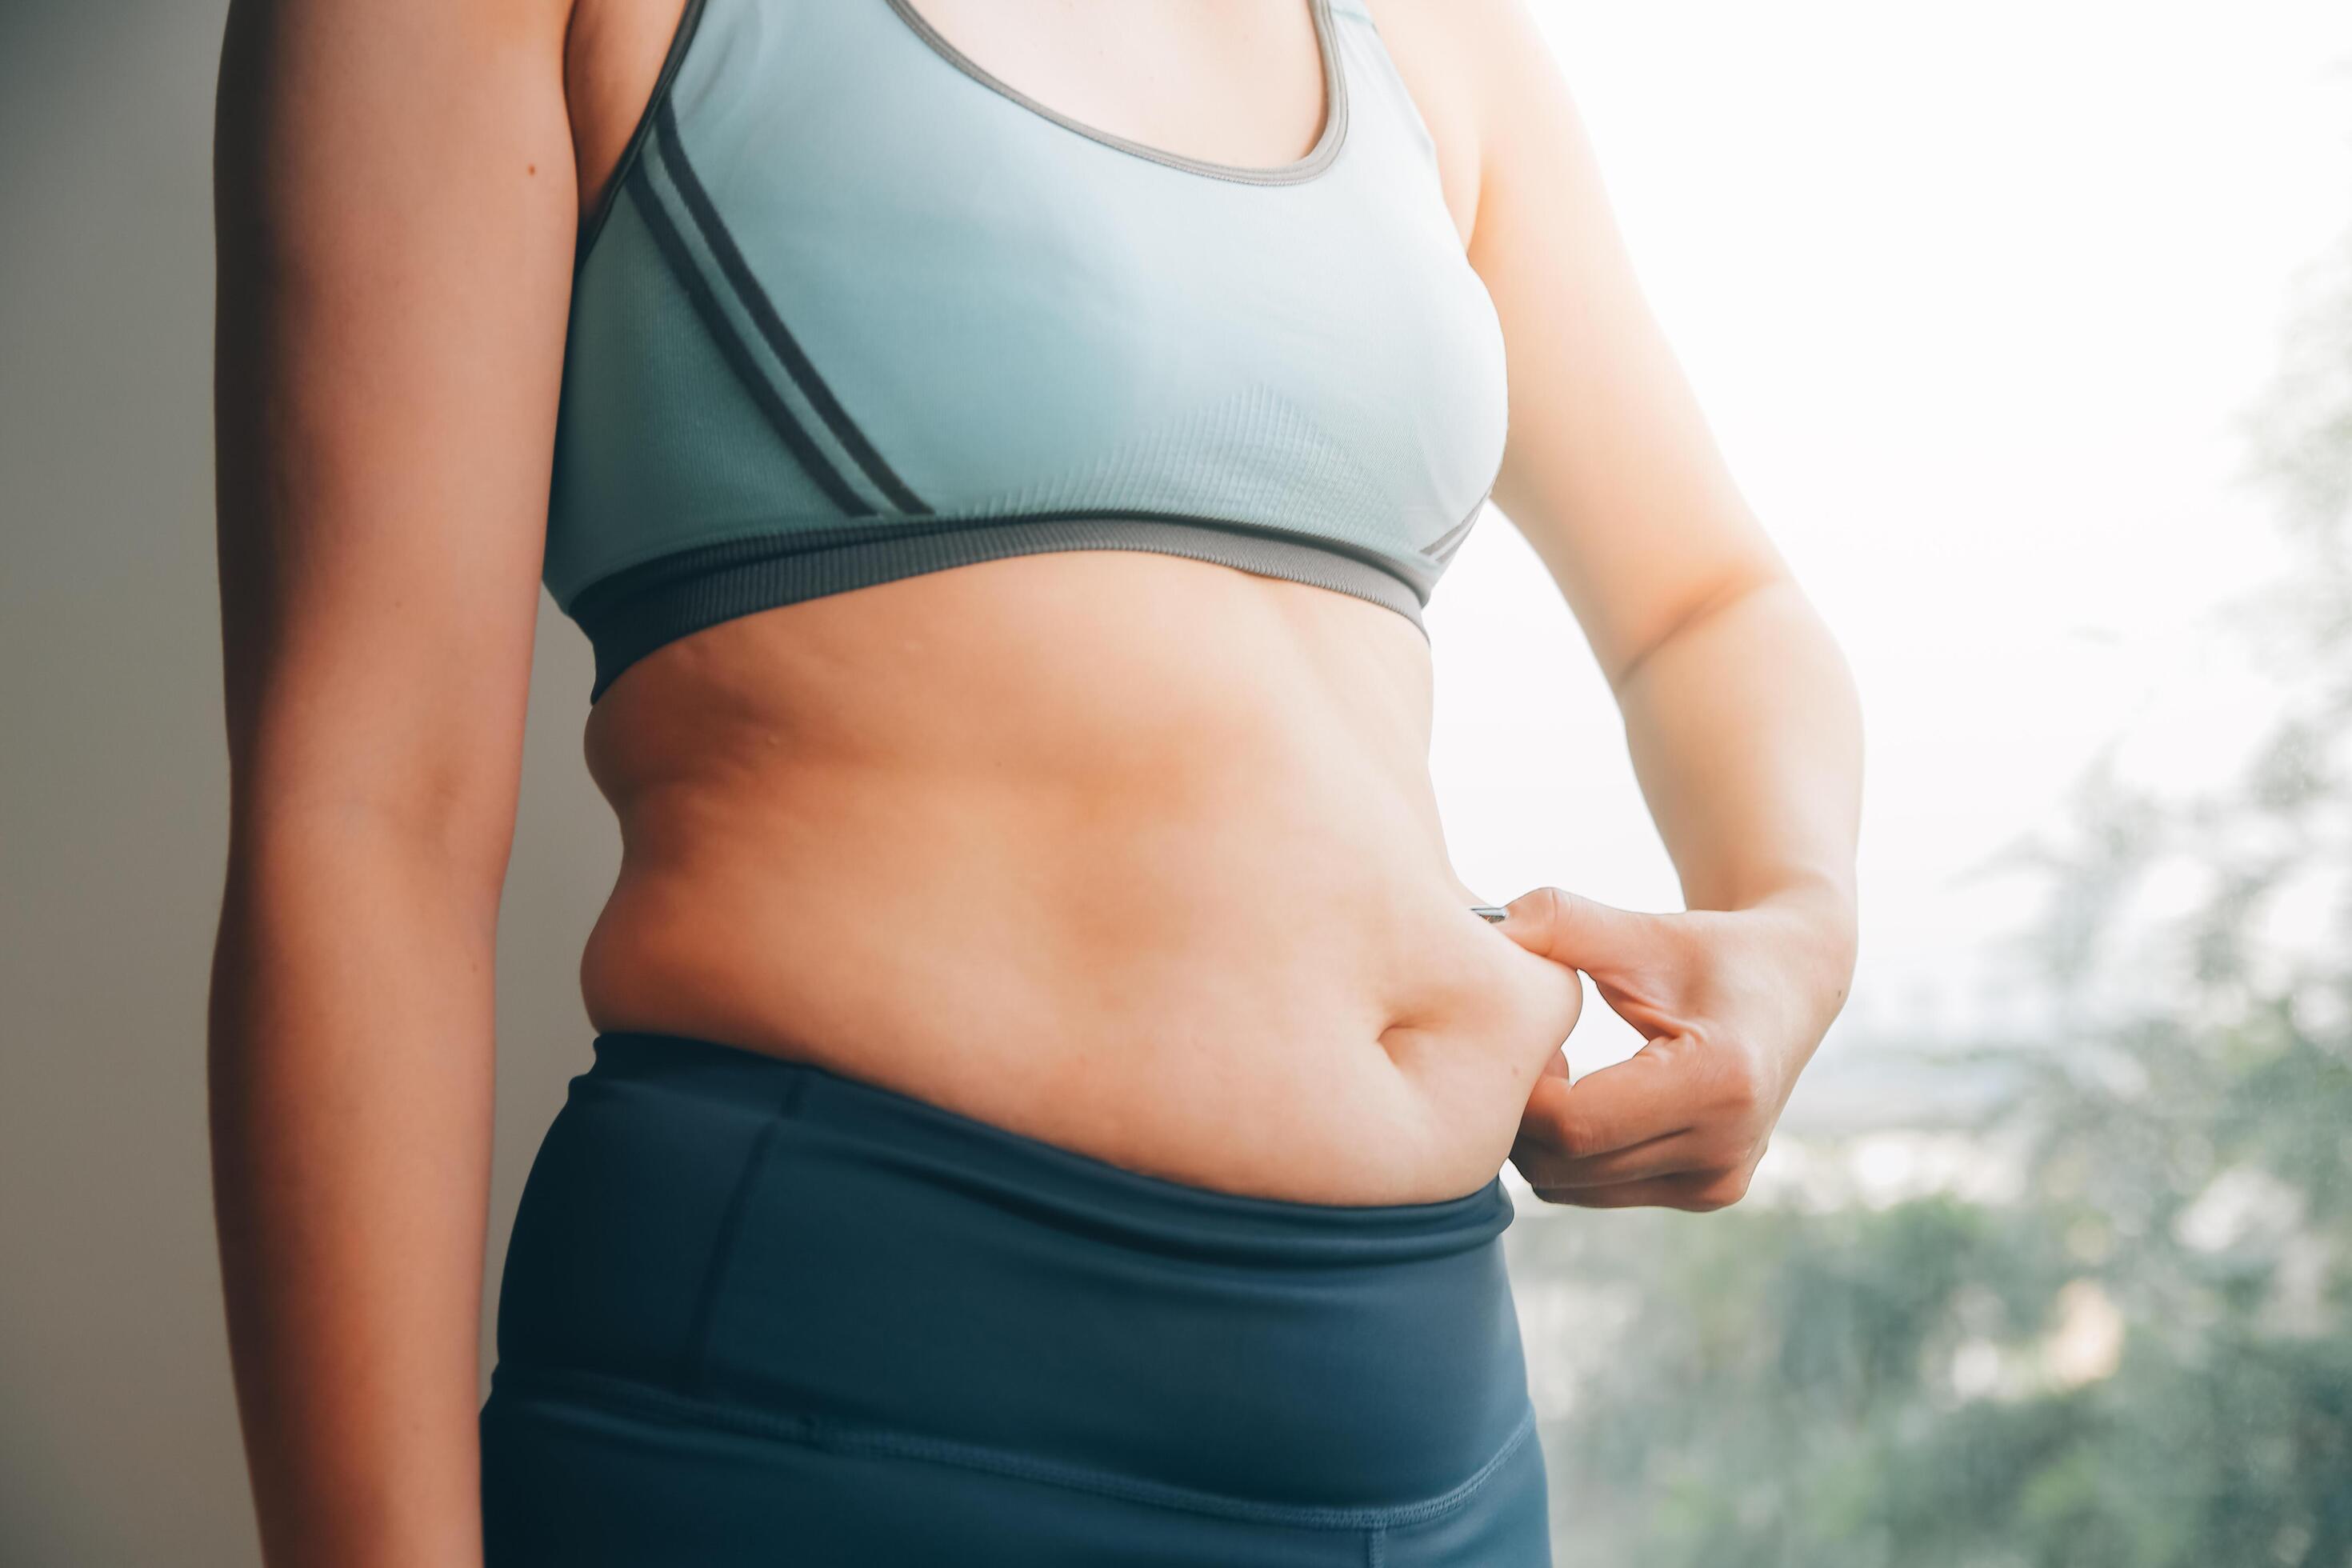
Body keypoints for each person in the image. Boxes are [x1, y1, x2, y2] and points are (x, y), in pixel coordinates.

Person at [206, 0, 1862, 1562]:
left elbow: (1704, 603)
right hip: (844, 1399)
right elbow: (368, 822)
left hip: (1427, 1423)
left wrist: (1797, 934)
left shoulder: (1422, 33)